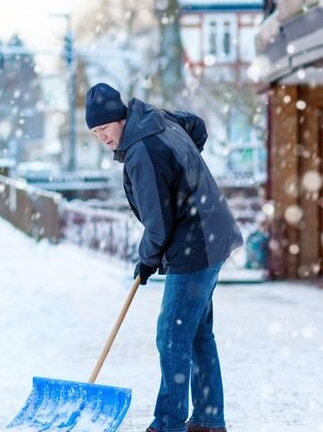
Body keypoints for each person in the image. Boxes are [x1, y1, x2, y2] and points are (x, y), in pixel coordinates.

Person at [84, 83, 243, 432]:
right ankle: (208, 420)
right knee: (197, 333)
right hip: (212, 233)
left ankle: (169, 423)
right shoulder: (156, 120)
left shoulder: (141, 151)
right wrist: (187, 174)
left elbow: (158, 223)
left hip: (196, 243)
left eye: (105, 128)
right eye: (95, 133)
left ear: (119, 118)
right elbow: (196, 124)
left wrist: (146, 259)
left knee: (171, 334)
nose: (103, 138)